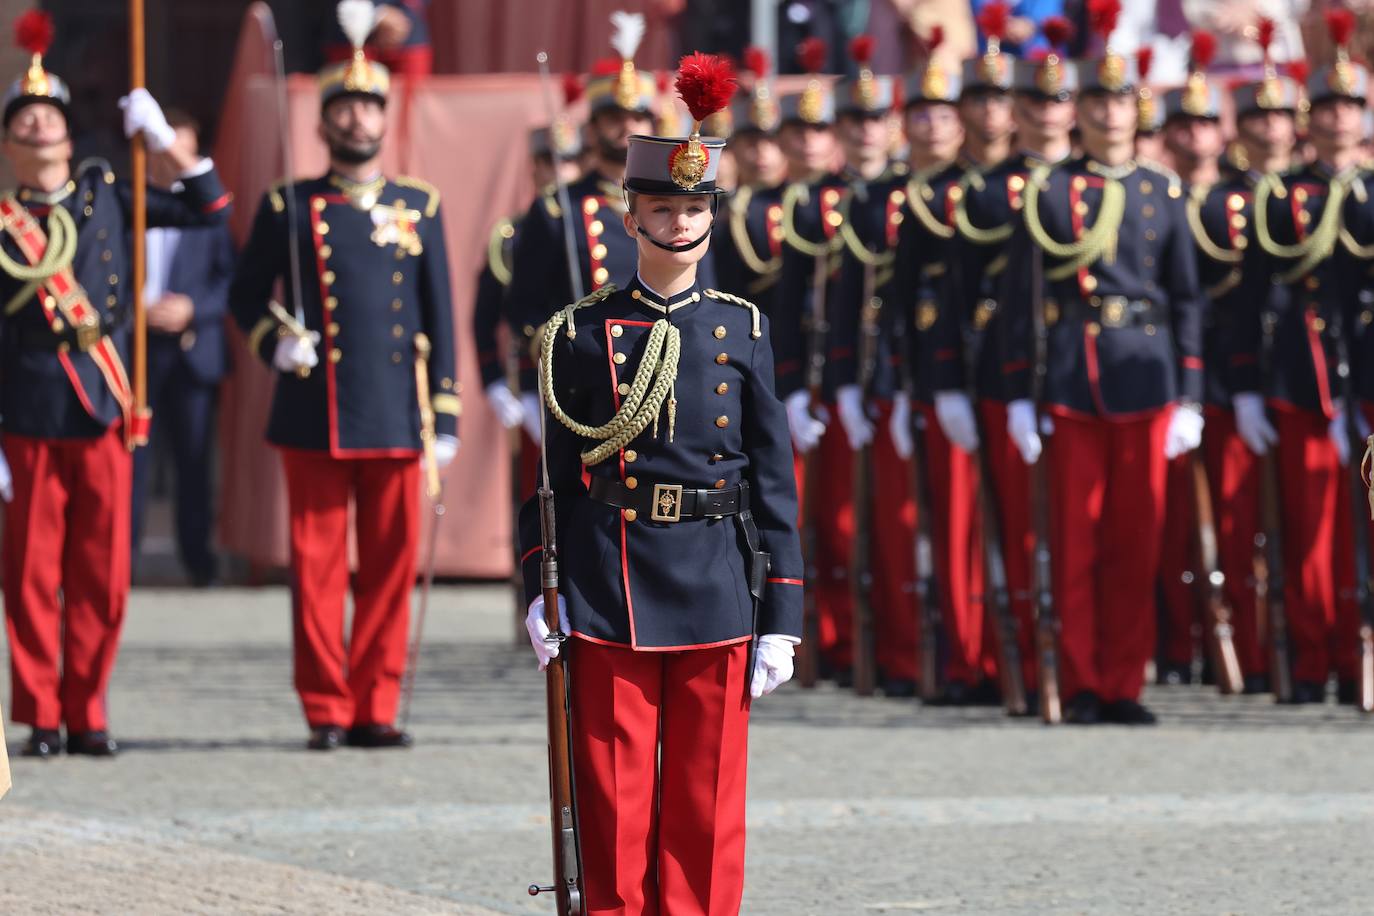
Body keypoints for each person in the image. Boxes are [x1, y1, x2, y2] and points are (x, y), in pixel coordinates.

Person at [519, 53, 802, 911]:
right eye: (663, 207)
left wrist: (783, 615)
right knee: (613, 802)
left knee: (705, 810)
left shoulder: (741, 328)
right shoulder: (579, 332)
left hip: (716, 580)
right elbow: (553, 479)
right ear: (631, 213)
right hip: (612, 582)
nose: (679, 222)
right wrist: (542, 587)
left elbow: (774, 485)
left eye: (694, 207)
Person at [0, 10, 231, 757]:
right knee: (31, 576)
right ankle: (39, 712)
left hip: (103, 403)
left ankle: (87, 709)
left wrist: (162, 141)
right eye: (24, 120)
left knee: (101, 573)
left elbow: (209, 210)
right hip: (27, 412)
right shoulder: (3, 225)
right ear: (8, 143)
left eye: (48, 118)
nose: (38, 128)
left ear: (70, 136)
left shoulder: (111, 193)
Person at [228, 19, 458, 749]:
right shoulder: (285, 205)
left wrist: (445, 415)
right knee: (319, 573)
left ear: (386, 119)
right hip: (315, 409)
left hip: (395, 411)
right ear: (324, 118)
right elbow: (242, 297)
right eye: (344, 106)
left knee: (389, 575)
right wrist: (278, 341)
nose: (357, 117)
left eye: (369, 106)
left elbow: (439, 316)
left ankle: (376, 705)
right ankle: (325, 707)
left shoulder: (421, 205)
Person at [997, 2, 1206, 725]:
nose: (1109, 114)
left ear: (1135, 110)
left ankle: (1124, 681)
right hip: (1072, 375)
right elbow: (1024, 298)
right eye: (1097, 101)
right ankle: (1082, 678)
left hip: (1147, 375)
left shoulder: (1162, 192)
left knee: (1135, 541)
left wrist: (1192, 394)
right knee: (1076, 542)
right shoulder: (1051, 190)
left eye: (1120, 102)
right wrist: (1020, 391)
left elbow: (1186, 297)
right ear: (1079, 111)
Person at [937, 17, 1077, 708]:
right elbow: (950, 290)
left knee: (1067, 529)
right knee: (1006, 527)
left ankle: (1073, 663)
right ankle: (1006, 657)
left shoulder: (1085, 185)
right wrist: (944, 384)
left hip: (1081, 369)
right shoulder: (987, 192)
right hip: (1001, 368)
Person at [1231, 10, 1367, 704]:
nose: (1340, 122)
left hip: (1369, 376)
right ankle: (1318, 660)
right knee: (1312, 533)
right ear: (1308, 121)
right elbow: (1253, 296)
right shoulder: (1281, 199)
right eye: (1329, 109)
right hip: (1304, 375)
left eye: (1352, 108)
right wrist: (1248, 385)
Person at [1200, 35, 1300, 694]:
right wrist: (1237, 384)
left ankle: (1311, 651)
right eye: (1256, 117)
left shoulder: (1317, 195)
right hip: (1233, 378)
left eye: (1280, 116)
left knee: (1308, 528)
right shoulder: (1217, 203)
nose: (1269, 128)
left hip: (1308, 375)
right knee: (1238, 529)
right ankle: (1251, 649)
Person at [820, 37, 919, 696]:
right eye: (853, 121)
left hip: (899, 373)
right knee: (840, 525)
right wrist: (832, 382)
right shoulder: (823, 200)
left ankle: (907, 651)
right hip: (848, 377)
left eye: (874, 119)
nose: (865, 131)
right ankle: (845, 645)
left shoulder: (910, 194)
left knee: (901, 529)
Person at [507, 12, 659, 430]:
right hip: (583, 384)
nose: (626, 128)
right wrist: (542, 371)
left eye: (636, 118)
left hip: (660, 377)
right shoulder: (559, 207)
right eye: (613, 119)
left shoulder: (674, 205)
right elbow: (525, 305)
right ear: (592, 130)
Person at [130, 109, 235, 588]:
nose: (173, 160)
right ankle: (122, 562)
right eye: (164, 148)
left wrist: (193, 308)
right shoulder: (125, 203)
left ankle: (198, 561)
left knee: (194, 462)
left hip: (193, 350)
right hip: (134, 355)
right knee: (132, 462)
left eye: (183, 150)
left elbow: (230, 279)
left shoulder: (209, 212)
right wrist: (136, 311)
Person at [323, 0, 433, 79]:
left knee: (409, 107)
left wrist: (404, 14)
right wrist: (375, 13)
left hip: (408, 38)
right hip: (351, 34)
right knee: (352, 102)